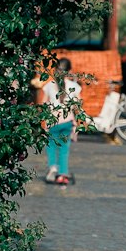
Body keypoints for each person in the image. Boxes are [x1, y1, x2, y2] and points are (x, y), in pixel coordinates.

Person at [42, 57, 82, 187]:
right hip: (67, 122)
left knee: (51, 146)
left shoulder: (49, 85)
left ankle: (53, 167)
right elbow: (78, 107)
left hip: (52, 122)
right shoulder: (75, 87)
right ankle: (62, 174)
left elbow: (44, 104)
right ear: (69, 71)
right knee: (64, 149)